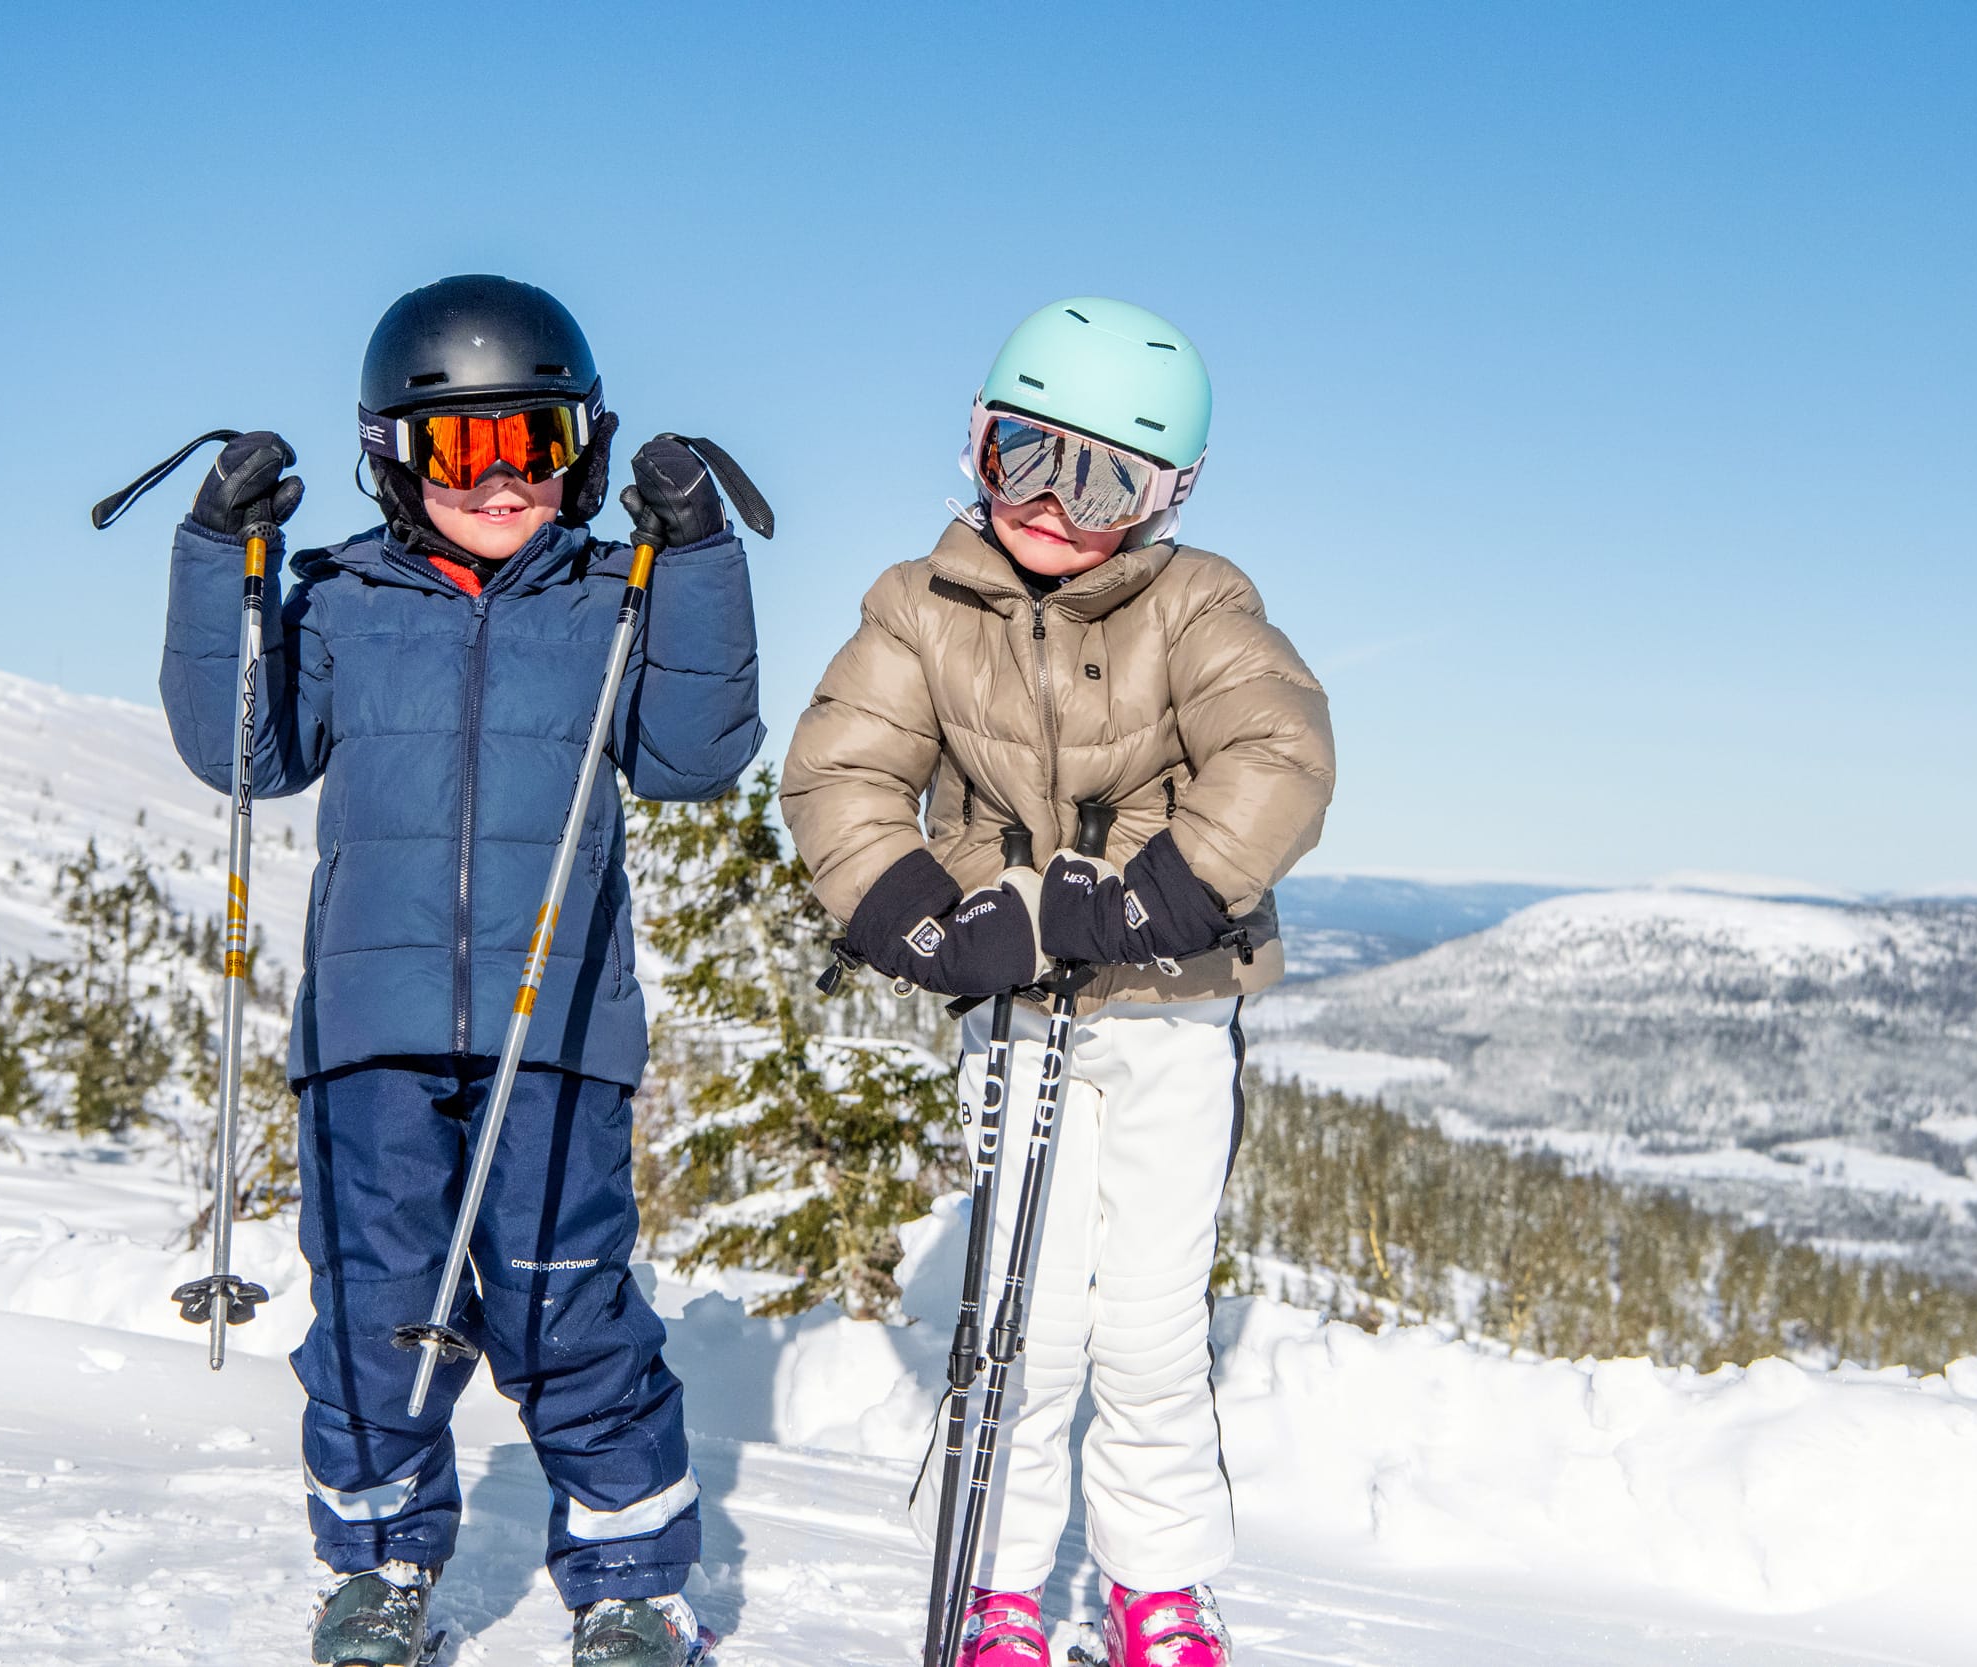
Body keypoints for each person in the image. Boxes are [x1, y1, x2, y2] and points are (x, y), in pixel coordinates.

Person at [159, 274, 763, 1667]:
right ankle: (378, 1564)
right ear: (393, 459)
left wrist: (701, 555)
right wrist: (220, 556)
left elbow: (691, 759)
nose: (499, 479)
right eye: (459, 448)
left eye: (531, 443)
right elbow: (244, 751)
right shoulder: (337, 602)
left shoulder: (618, 596)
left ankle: (630, 1579)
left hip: (556, 1031)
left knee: (570, 1307)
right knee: (377, 1313)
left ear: (583, 452)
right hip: (370, 1036)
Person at [778, 298, 1335, 1667]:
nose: (1049, 502)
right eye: (1024, 451)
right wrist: (932, 927)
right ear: (976, 440)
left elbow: (1281, 751)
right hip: (1020, 1015)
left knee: (1146, 1328)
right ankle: (1002, 1590)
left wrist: (1153, 903)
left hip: (1170, 1011)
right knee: (1015, 1322)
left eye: (1101, 477)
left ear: (1165, 498)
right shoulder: (920, 608)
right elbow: (842, 776)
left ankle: (1156, 1590)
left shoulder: (1199, 604)